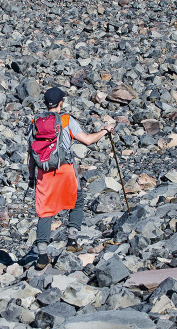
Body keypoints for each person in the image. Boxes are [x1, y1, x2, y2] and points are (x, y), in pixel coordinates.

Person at [27, 87, 114, 269]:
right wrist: (105, 131)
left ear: (45, 103)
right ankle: (72, 240)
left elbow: (31, 153)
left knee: (45, 212)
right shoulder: (66, 120)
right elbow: (88, 140)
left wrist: (31, 177)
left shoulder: (35, 122)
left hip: (44, 172)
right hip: (65, 170)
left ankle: (42, 255)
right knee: (77, 201)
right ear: (61, 103)